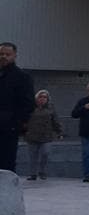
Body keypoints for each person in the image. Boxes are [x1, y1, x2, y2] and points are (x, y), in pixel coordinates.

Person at [0, 42, 36, 174]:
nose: (3, 56)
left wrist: (17, 123)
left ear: (14, 56)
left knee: (6, 163)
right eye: (1, 54)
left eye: (7, 54)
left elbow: (28, 104)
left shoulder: (22, 77)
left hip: (8, 127)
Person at [24, 90, 62, 180]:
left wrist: (59, 132)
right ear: (36, 98)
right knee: (33, 156)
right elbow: (25, 120)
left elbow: (55, 121)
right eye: (40, 97)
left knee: (45, 153)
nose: (42, 99)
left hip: (46, 136)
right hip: (32, 135)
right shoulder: (31, 107)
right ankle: (33, 174)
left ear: (47, 99)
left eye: (44, 97)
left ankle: (42, 171)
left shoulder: (51, 108)